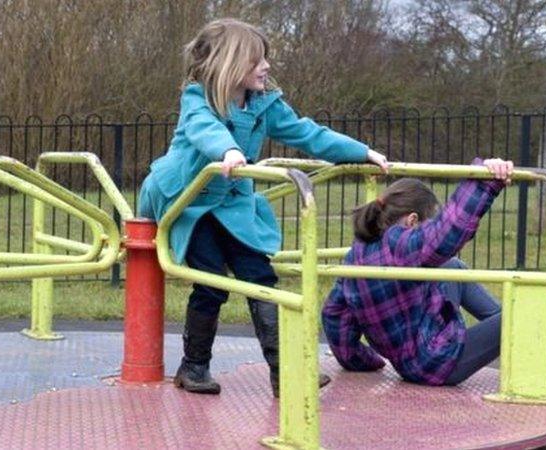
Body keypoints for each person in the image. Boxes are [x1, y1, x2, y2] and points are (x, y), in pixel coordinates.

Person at [138, 18, 388, 397]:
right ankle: (193, 367)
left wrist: (361, 151)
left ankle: (284, 372)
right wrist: (229, 151)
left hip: (233, 203)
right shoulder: (197, 98)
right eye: (257, 60)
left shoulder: (265, 104)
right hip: (190, 202)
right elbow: (204, 128)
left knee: (261, 278)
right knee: (211, 283)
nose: (266, 67)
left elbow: (308, 133)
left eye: (265, 59)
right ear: (230, 64)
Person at [321, 158, 513, 386]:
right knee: (527, 314)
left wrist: (364, 360)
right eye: (427, 222)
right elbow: (444, 235)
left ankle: (506, 332)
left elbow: (333, 316)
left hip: (414, 355)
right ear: (412, 221)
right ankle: (513, 331)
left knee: (451, 267)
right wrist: (483, 182)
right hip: (440, 363)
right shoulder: (399, 243)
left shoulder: (356, 254)